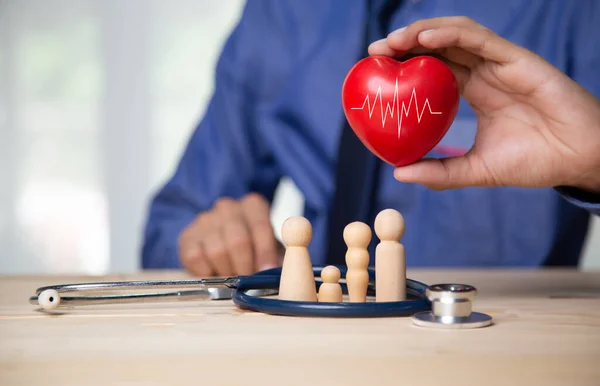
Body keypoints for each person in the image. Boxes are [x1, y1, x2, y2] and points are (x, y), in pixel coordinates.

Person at [141, 0, 600, 276]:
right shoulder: (280, 14)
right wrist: (210, 242)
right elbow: (170, 228)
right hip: (312, 344)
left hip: (501, 348)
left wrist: (593, 160)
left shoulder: (572, 10)